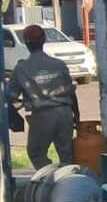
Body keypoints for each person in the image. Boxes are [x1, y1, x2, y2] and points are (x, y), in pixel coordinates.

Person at [9, 24, 79, 169]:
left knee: (36, 152)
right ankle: (67, 182)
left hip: (42, 116)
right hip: (65, 112)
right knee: (66, 154)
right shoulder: (59, 64)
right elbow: (71, 92)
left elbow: (10, 97)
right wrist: (76, 115)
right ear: (44, 40)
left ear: (26, 42)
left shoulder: (21, 68)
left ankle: (50, 179)